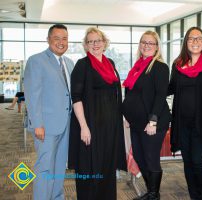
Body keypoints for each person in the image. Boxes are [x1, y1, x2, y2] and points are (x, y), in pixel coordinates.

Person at [68, 27, 127, 200]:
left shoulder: (111, 63)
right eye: (91, 41)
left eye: (98, 40)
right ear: (86, 45)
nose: (95, 44)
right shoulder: (82, 65)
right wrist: (84, 127)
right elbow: (76, 98)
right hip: (91, 125)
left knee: (107, 166)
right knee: (90, 167)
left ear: (104, 42)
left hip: (110, 126)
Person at [168, 27, 202, 200]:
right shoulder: (177, 65)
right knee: (188, 163)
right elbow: (170, 88)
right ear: (186, 42)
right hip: (182, 124)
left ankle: (201, 197)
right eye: (191, 38)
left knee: (197, 162)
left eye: (199, 38)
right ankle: (193, 196)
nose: (195, 42)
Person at [24, 24, 74, 200]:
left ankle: (57, 197)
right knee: (45, 167)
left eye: (65, 38)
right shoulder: (36, 60)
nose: (61, 42)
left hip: (65, 124)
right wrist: (37, 124)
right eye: (57, 38)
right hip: (45, 126)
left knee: (59, 166)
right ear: (48, 39)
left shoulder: (69, 63)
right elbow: (32, 95)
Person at [122, 30, 171, 200]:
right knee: (140, 157)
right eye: (144, 42)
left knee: (150, 158)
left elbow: (160, 95)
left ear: (157, 46)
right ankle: (151, 192)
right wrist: (127, 116)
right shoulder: (137, 67)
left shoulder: (160, 67)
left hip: (153, 122)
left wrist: (153, 121)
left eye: (150, 43)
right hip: (136, 122)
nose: (146, 46)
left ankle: (153, 194)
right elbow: (130, 93)